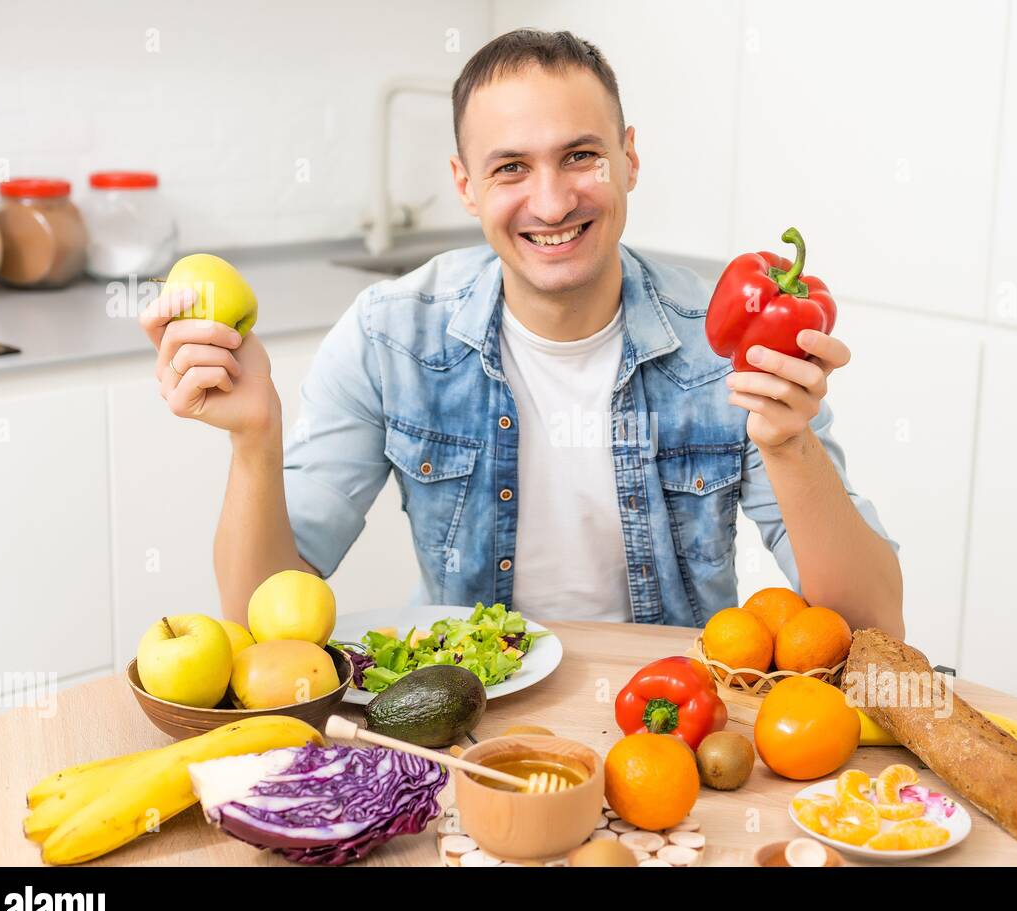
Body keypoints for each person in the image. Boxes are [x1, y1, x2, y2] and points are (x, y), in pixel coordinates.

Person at [140, 28, 904, 637]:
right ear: (466, 185)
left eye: (580, 156)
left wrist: (789, 445)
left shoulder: (727, 343)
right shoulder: (391, 337)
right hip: (467, 721)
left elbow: (875, 628)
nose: (551, 201)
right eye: (511, 168)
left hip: (674, 728)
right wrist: (254, 439)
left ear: (628, 160)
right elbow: (257, 622)